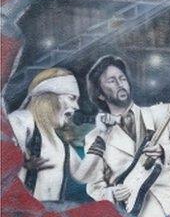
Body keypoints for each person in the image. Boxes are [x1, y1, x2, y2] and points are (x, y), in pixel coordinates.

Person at [84, 55, 170, 217]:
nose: (120, 83)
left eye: (122, 78)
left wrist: (163, 151)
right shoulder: (95, 137)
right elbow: (94, 186)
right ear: (100, 94)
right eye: (112, 81)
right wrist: (112, 194)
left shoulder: (163, 112)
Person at [8, 68, 105, 201]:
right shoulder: (23, 120)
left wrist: (102, 138)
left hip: (48, 216)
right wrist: (21, 164)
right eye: (72, 98)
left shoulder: (60, 142)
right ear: (50, 98)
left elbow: (82, 176)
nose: (76, 106)